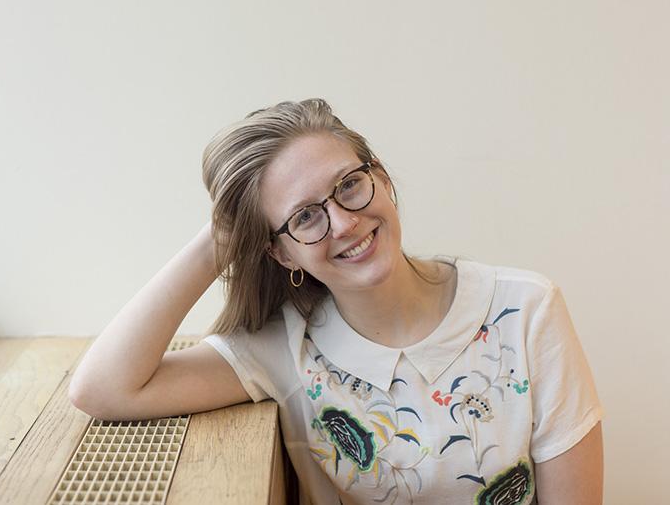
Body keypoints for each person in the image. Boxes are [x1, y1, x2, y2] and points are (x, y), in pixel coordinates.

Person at [69, 99, 605, 505]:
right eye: (304, 216)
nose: (345, 223)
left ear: (382, 177)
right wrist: (220, 236)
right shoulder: (285, 347)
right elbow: (104, 388)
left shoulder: (526, 310)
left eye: (349, 184)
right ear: (281, 253)